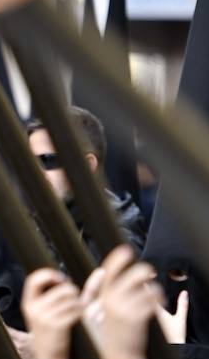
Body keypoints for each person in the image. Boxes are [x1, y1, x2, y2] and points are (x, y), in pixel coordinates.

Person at [27, 106, 146, 258]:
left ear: (88, 165)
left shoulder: (117, 240)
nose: (36, 173)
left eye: (48, 160)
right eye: (30, 162)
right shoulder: (41, 222)